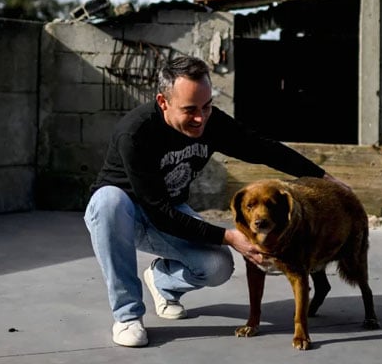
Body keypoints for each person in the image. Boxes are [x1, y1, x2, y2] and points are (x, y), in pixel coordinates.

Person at [84, 55, 345, 347]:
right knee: (108, 200)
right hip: (124, 215)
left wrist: (323, 177)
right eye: (190, 110)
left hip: (169, 210)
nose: (200, 118)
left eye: (206, 106)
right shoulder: (136, 133)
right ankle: (127, 315)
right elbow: (156, 210)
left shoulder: (211, 122)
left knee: (218, 266)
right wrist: (229, 236)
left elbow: (262, 148)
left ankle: (161, 281)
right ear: (163, 101)